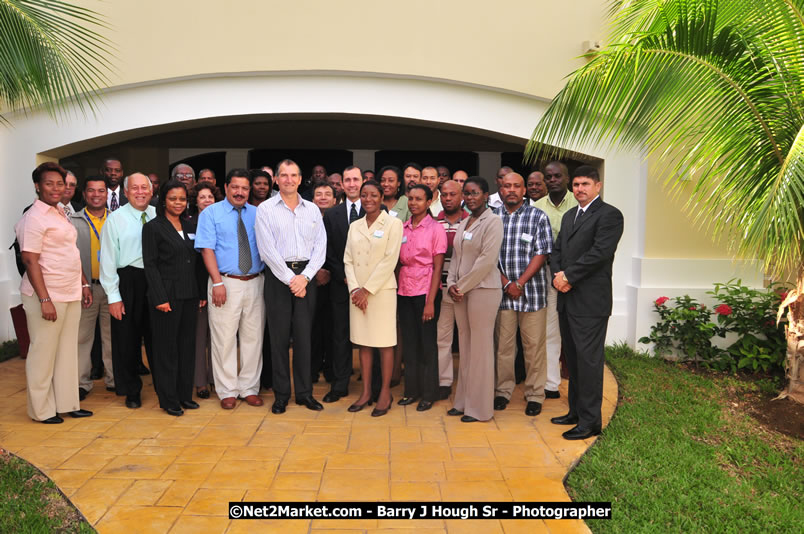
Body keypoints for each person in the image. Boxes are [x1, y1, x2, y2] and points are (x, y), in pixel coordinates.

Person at [16, 162, 93, 424]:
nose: (56, 188)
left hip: (69, 292)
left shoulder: (60, 212)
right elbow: (30, 260)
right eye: (49, 183)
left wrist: (83, 284)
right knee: (43, 352)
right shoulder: (33, 217)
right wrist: (44, 299)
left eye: (60, 183)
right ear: (37, 186)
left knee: (66, 352)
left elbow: (71, 252)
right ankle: (42, 410)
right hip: (46, 295)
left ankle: (67, 403)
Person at [550, 165, 623, 440]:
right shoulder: (570, 215)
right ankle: (575, 412)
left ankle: (590, 422)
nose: (580, 189)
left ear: (597, 186)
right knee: (573, 360)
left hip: (590, 303)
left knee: (589, 362)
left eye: (585, 184)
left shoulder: (610, 215)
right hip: (567, 299)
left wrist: (568, 276)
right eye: (576, 185)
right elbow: (557, 250)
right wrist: (558, 276)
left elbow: (600, 253)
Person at [256, 159, 327, 414]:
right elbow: (267, 250)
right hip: (278, 277)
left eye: (293, 175)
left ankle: (305, 394)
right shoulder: (265, 210)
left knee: (304, 337)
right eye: (284, 175)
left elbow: (320, 246)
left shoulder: (312, 209)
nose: (289, 180)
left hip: (306, 277)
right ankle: (282, 394)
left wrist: (305, 277)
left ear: (300, 179)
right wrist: (291, 279)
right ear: (276, 179)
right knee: (278, 338)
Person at [195, 169, 265, 410]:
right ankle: (227, 390)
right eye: (235, 187)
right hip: (224, 282)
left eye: (245, 188)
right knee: (223, 339)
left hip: (256, 281)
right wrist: (217, 282)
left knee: (253, 338)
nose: (240, 192)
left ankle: (249, 388)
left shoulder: (258, 213)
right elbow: (207, 249)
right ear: (225, 188)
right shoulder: (211, 213)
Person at [493, 172, 553, 416]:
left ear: (524, 190)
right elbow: (488, 256)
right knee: (503, 348)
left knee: (534, 347)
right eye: (507, 186)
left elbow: (543, 252)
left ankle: (535, 395)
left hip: (532, 294)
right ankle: (502, 391)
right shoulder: (492, 218)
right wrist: (507, 284)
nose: (511, 190)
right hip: (501, 295)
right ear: (500, 189)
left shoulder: (538, 217)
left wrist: (519, 283)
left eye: (516, 186)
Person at [143, 180, 205, 416]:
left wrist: (201, 293)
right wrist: (160, 297)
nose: (178, 203)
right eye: (172, 199)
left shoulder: (190, 225)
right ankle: (169, 400)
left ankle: (184, 396)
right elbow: (150, 265)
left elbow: (197, 262)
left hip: (190, 295)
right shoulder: (153, 228)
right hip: (166, 297)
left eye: (182, 199)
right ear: (163, 201)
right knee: (166, 349)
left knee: (187, 347)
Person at [446, 176, 503, 423]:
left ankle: (480, 409)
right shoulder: (464, 222)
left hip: (483, 291)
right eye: (467, 193)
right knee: (466, 348)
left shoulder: (494, 222)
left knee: (480, 349)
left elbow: (487, 261)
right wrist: (451, 283)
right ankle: (462, 402)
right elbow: (456, 257)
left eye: (475, 193)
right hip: (461, 293)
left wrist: (461, 286)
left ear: (486, 196)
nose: (470, 198)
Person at [343, 180, 403, 417]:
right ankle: (366, 391)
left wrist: (366, 290)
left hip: (381, 292)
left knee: (384, 343)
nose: (368, 199)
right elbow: (348, 260)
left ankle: (385, 393)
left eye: (373, 195)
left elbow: (390, 259)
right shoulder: (354, 226)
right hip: (357, 294)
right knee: (364, 342)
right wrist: (355, 290)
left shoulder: (393, 223)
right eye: (364, 195)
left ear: (381, 197)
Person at [397, 184, 446, 411]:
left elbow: (438, 268)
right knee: (410, 343)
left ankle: (428, 393)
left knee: (427, 344)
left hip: (426, 291)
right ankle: (411, 391)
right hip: (404, 290)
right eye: (411, 198)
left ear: (429, 202)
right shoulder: (403, 228)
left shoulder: (436, 229)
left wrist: (430, 302)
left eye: (419, 199)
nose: (414, 203)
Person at [534, 161, 578, 399]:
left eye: (557, 176)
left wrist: (570, 274)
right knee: (550, 330)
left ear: (567, 178)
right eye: (548, 177)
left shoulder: (578, 204)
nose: (552, 180)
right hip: (548, 275)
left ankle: (578, 381)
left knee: (574, 330)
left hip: (577, 277)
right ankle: (551, 383)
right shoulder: (538, 206)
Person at [321, 166, 365, 404]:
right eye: (347, 180)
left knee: (370, 336)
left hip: (369, 287)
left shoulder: (376, 211)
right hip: (341, 285)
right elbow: (327, 250)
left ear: (363, 181)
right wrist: (344, 276)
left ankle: (372, 385)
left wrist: (363, 280)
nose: (351, 184)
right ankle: (339, 385)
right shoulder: (331, 214)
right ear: (342, 184)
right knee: (340, 336)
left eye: (355, 179)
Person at [71, 177, 114, 400]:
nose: (96, 195)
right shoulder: (73, 220)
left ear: (107, 194)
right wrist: (83, 283)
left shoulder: (116, 218)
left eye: (101, 191)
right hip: (86, 287)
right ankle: (81, 383)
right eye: (91, 191)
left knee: (112, 336)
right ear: (84, 194)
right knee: (82, 338)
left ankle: (114, 379)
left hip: (112, 287)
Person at [435, 180, 467, 400]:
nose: (448, 198)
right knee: (443, 338)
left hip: (467, 290)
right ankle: (444, 381)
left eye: (452, 194)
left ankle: (467, 381)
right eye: (444, 195)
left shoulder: (472, 221)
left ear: (461, 196)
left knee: (467, 340)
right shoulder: (434, 222)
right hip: (443, 289)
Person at [190, 182, 218, 399]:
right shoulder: (189, 224)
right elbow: (195, 264)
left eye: (210, 197)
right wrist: (200, 292)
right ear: (196, 201)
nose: (207, 200)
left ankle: (216, 379)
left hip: (221, 285)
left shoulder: (220, 221)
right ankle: (200, 382)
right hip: (198, 288)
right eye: (202, 197)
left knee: (218, 338)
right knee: (200, 337)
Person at [310, 182, 337, 383]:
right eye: (318, 194)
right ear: (312, 200)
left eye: (328, 194)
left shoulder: (339, 219)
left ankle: (331, 368)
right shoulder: (306, 220)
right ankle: (312, 368)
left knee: (332, 327)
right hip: (310, 280)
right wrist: (316, 271)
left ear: (335, 200)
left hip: (335, 280)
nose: (323, 197)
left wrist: (330, 271)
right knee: (312, 327)